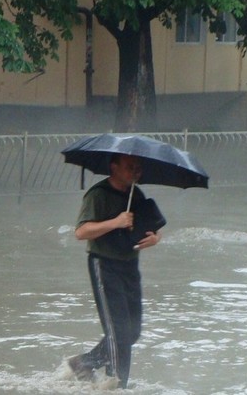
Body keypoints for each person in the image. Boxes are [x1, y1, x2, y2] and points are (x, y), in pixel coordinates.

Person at [67, 154, 161, 389]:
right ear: (114, 167)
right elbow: (81, 232)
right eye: (130, 167)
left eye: (138, 168)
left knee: (132, 332)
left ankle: (84, 363)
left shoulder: (136, 195)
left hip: (130, 265)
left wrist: (154, 238)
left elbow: (146, 229)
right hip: (104, 265)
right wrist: (115, 222)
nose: (135, 172)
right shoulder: (98, 194)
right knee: (118, 333)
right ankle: (117, 386)